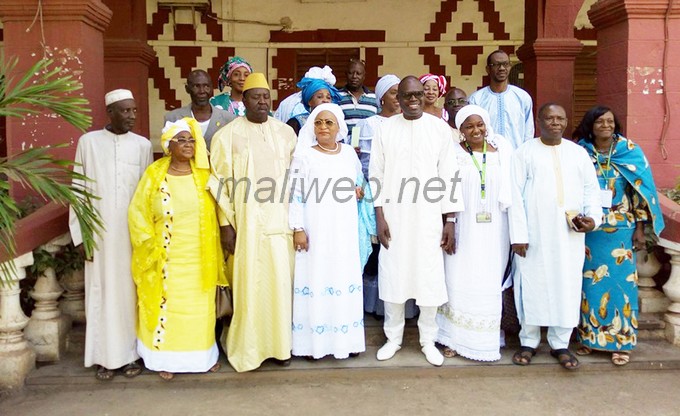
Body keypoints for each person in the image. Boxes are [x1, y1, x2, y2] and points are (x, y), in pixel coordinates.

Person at [369, 76, 464, 367]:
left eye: (417, 95)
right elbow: (377, 173)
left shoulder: (439, 130)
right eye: (406, 96)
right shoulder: (385, 129)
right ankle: (393, 338)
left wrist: (449, 220)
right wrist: (379, 216)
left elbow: (449, 174)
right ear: (399, 99)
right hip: (394, 215)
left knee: (429, 278)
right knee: (394, 275)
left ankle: (427, 340)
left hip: (429, 216)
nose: (412, 101)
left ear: (425, 96)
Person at [210, 73, 297, 372]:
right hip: (245, 225)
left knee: (280, 283)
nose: (262, 101)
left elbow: (298, 182)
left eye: (266, 96)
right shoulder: (227, 136)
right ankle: (249, 348)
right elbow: (219, 183)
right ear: (243, 100)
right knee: (248, 284)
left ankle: (280, 346)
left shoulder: (286, 134)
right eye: (255, 96)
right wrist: (225, 225)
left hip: (281, 223)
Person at [128, 118, 227, 380]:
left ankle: (202, 358)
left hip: (201, 258)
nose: (187, 144)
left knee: (199, 309)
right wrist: (150, 248)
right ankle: (163, 359)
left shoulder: (205, 175)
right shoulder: (154, 174)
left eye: (191, 139)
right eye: (181, 140)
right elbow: (138, 213)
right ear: (168, 145)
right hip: (166, 258)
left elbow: (222, 208)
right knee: (167, 309)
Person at [508, 103, 602, 370]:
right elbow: (514, 196)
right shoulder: (524, 152)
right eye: (549, 118)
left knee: (566, 286)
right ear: (539, 121)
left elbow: (590, 191)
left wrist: (592, 219)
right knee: (531, 284)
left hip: (568, 235)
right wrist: (518, 234)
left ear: (566, 121)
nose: (555, 123)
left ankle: (560, 343)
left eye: (560, 118)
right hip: (533, 234)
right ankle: (529, 341)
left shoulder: (578, 153)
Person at [68, 89, 153, 381]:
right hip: (100, 234)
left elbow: (146, 191)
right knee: (102, 294)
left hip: (132, 233)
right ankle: (105, 358)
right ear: (110, 113)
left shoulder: (142, 145)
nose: (131, 116)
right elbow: (78, 191)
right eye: (125, 111)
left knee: (132, 295)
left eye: (134, 111)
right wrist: (81, 236)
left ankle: (132, 355)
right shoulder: (88, 143)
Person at [572, 106, 665, 366]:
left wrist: (639, 228)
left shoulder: (629, 152)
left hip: (621, 229)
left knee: (620, 287)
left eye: (610, 122)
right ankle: (590, 339)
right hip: (591, 230)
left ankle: (621, 343)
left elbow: (639, 192)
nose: (606, 126)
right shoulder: (580, 152)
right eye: (600, 122)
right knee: (590, 285)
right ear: (590, 125)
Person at [289, 103, 369, 359]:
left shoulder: (348, 153)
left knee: (343, 277)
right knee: (317, 277)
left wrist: (358, 191)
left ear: (339, 127)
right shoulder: (304, 155)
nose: (323, 127)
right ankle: (315, 345)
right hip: (316, 228)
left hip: (343, 229)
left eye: (329, 122)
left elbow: (359, 182)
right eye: (319, 122)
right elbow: (295, 194)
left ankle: (347, 342)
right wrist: (298, 228)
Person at [435, 105, 512, 362]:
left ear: (487, 125)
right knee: (458, 276)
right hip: (463, 226)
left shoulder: (502, 152)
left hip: (496, 229)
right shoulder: (454, 154)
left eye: (479, 125)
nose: (475, 130)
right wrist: (451, 222)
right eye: (469, 126)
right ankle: (453, 338)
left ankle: (485, 339)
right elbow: (448, 189)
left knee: (489, 280)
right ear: (460, 131)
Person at [355, 74, 417, 319]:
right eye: (393, 93)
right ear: (382, 98)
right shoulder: (371, 124)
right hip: (380, 192)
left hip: (409, 194)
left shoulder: (410, 122)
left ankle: (406, 304)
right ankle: (379, 306)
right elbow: (367, 163)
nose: (398, 98)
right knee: (382, 247)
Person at [468, 50, 534, 149]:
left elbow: (528, 131)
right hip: (488, 156)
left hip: (516, 155)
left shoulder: (522, 97)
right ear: (488, 69)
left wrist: (524, 153)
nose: (502, 68)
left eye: (505, 64)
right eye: (496, 65)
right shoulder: (476, 99)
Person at [165, 69, 235, 149]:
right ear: (187, 89)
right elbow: (168, 155)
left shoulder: (229, 120)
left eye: (206, 86)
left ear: (212, 88)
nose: (202, 91)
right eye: (196, 86)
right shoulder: (173, 118)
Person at [337, 59, 379, 144]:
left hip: (368, 151)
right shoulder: (336, 97)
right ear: (345, 74)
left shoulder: (374, 98)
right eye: (351, 73)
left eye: (358, 73)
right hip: (343, 150)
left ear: (364, 76)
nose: (354, 76)